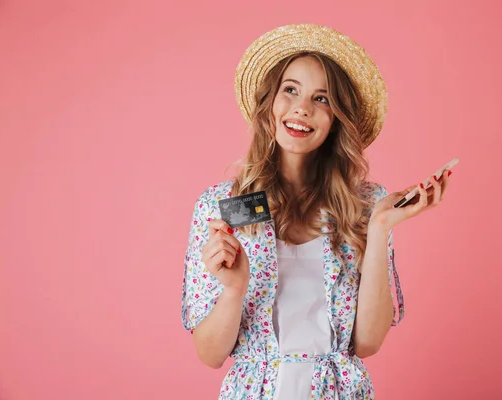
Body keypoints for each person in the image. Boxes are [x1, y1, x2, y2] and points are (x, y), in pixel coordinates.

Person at [181, 24, 452, 400]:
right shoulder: (222, 207)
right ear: (269, 103)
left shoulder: (366, 204)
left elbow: (368, 343)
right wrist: (234, 289)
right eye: (290, 90)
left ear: (336, 119)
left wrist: (380, 228)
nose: (302, 108)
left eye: (322, 99)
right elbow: (209, 355)